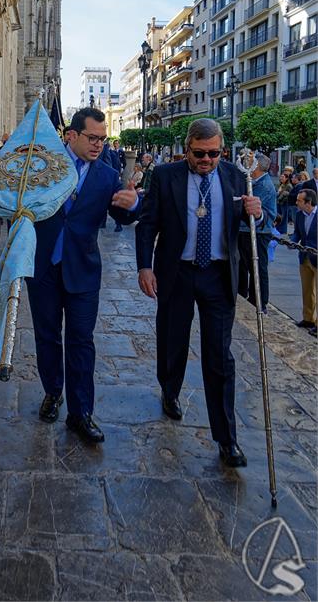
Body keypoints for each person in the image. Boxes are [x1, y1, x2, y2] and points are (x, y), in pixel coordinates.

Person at [135, 118, 263, 468]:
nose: (206, 160)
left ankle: (227, 438)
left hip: (218, 277)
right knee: (172, 339)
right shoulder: (165, 176)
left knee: (220, 357)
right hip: (177, 272)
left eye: (214, 153)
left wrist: (259, 213)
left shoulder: (237, 178)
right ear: (186, 148)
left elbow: (252, 221)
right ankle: (170, 389)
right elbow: (147, 224)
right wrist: (144, 267)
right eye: (199, 153)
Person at [26, 107, 140, 444]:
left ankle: (81, 412)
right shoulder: (43, 165)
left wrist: (132, 205)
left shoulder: (106, 175)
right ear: (71, 136)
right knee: (47, 336)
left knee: (81, 341)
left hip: (84, 272)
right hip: (43, 267)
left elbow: (121, 211)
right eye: (92, 138)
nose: (99, 145)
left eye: (103, 140)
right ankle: (52, 392)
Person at [237, 153, 277, 314]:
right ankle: (243, 293)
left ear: (257, 167)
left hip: (259, 231)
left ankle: (259, 301)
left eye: (251, 163)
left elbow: (252, 207)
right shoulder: (255, 181)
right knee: (244, 265)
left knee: (258, 267)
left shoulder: (265, 185)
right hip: (246, 230)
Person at [292, 188, 317, 335]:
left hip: (316, 257)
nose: (296, 203)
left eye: (299, 201)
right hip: (304, 257)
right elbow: (297, 232)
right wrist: (292, 241)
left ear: (308, 203)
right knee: (307, 290)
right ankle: (308, 318)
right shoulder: (299, 215)